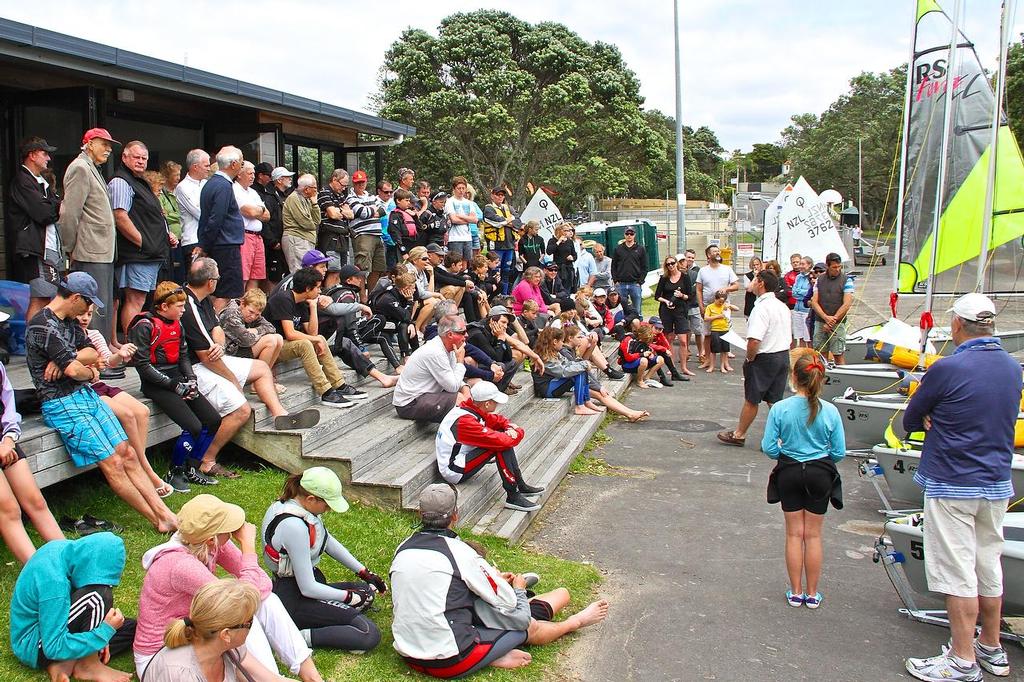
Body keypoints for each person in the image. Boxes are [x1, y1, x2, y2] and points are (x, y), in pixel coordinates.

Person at [903, 293, 1023, 681]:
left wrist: (931, 416)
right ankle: (992, 645)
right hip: (996, 481)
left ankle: (962, 657)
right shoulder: (1012, 367)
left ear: (957, 325)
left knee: (957, 571)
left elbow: (910, 418)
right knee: (988, 565)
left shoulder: (947, 368)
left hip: (953, 480)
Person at [390, 483, 609, 677]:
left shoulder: (402, 549)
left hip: (407, 652)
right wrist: (518, 588)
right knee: (528, 625)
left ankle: (491, 655)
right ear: (455, 515)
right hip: (448, 658)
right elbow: (510, 604)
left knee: (551, 599)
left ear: (421, 513)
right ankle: (573, 623)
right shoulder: (461, 553)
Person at [27, 272, 179, 532]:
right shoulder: (43, 325)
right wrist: (86, 370)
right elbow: (79, 371)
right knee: (113, 462)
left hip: (85, 395)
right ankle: (159, 521)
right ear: (75, 298)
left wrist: (73, 359)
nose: (89, 309)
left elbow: (92, 352)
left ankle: (166, 513)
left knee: (127, 453)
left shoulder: (70, 321)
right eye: (88, 303)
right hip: (61, 403)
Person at [134, 494, 324, 682]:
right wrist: (248, 546)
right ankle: (270, 678)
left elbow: (263, 584)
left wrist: (248, 562)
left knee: (267, 601)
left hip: (200, 635)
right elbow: (237, 603)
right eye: (229, 528)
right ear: (211, 539)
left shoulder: (209, 543)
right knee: (242, 616)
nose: (235, 531)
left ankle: (308, 672)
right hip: (164, 655)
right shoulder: (179, 565)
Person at [182, 258, 319, 478]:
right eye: (217, 278)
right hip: (194, 367)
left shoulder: (204, 299)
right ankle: (206, 459)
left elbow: (216, 329)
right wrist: (232, 380)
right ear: (210, 282)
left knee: (262, 369)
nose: (218, 281)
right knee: (242, 410)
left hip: (215, 357)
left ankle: (279, 415)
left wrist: (218, 343)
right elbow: (205, 357)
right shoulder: (188, 305)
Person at [261, 468, 385, 653]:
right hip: (296, 597)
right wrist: (348, 597)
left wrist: (364, 572)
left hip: (303, 588)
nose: (328, 510)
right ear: (311, 499)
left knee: (367, 592)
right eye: (327, 505)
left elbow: (326, 540)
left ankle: (323, 617)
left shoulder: (294, 506)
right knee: (368, 633)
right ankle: (297, 636)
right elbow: (308, 588)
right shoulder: (293, 525)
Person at [761, 349, 845, 610]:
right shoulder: (830, 411)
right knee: (814, 535)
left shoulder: (781, 409)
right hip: (820, 471)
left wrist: (784, 453)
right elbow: (839, 452)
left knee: (794, 534)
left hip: (789, 470)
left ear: (793, 379)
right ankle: (812, 593)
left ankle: (795, 591)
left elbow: (768, 447)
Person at [127, 281, 228, 493]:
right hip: (156, 383)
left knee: (212, 420)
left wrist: (190, 378)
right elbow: (143, 366)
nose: (183, 310)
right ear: (164, 306)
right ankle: (175, 471)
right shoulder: (144, 325)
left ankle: (193, 467)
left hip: (178, 378)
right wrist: (174, 386)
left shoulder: (177, 323)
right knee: (193, 426)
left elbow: (183, 356)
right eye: (180, 306)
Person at [10, 532, 136, 682]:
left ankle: (64, 663)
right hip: (35, 646)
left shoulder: (64, 550)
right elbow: (52, 646)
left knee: (131, 627)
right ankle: (89, 665)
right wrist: (103, 632)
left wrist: (104, 634)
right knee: (98, 597)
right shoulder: (54, 583)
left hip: (52, 625)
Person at [76, 304, 172, 497]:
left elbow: (108, 363)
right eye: (80, 314)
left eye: (88, 314)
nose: (85, 318)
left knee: (142, 411)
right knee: (127, 415)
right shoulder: (69, 336)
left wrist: (120, 355)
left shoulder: (93, 335)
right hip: (84, 390)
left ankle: (138, 463)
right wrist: (92, 367)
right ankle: (146, 471)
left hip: (98, 385)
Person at [264, 267, 367, 409]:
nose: (320, 291)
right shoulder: (284, 299)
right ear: (307, 288)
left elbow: (312, 333)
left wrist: (312, 308)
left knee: (318, 338)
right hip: (271, 348)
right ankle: (326, 391)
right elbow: (290, 333)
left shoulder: (302, 301)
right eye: (317, 288)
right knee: (305, 344)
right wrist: (315, 339)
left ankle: (339, 385)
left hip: (286, 344)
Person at [139, 579, 278, 681]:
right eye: (249, 622)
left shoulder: (229, 649)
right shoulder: (181, 673)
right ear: (226, 634)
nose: (251, 626)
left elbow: (270, 679)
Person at [436, 381, 543, 511]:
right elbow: (504, 441)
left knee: (501, 440)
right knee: (500, 445)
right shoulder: (465, 421)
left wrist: (511, 428)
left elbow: (500, 420)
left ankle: (520, 486)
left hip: (460, 458)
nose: (497, 404)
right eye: (495, 401)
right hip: (453, 470)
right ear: (487, 403)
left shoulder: (471, 409)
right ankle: (513, 496)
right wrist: (517, 431)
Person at [717, 270, 793, 447]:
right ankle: (783, 438)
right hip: (782, 355)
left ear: (761, 284)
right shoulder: (781, 306)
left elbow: (754, 340)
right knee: (774, 400)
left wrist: (750, 358)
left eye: (755, 279)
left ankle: (739, 434)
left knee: (752, 399)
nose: (751, 282)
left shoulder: (761, 308)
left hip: (764, 357)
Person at [0, 359, 63, 563]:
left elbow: (8, 402)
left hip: (4, 440)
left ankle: (66, 559)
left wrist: (9, 438)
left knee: (35, 501)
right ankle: (39, 572)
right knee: (8, 509)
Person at [61, 128, 120, 342]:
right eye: (104, 144)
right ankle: (95, 356)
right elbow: (70, 213)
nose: (108, 149)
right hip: (89, 251)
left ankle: (101, 355)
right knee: (92, 307)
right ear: (89, 143)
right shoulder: (80, 168)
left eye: (109, 145)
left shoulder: (91, 168)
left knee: (101, 303)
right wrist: (69, 248)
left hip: (101, 250)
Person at [108, 140, 170, 337]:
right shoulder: (121, 181)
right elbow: (120, 216)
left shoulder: (139, 181)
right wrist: (144, 242)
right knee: (135, 300)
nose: (141, 161)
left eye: (144, 158)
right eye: (136, 157)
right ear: (124, 157)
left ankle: (139, 344)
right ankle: (133, 346)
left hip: (150, 254)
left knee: (142, 301)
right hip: (138, 254)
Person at [10, 136, 62, 323]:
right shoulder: (23, 181)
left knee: (47, 295)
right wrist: (55, 206)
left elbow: (55, 203)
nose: (48, 158)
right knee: (40, 297)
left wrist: (53, 204)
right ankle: (32, 346)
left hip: (48, 247)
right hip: (35, 249)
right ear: (32, 155)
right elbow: (44, 212)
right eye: (44, 153)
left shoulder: (41, 182)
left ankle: (39, 342)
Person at [392, 315, 472, 422]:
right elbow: (452, 387)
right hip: (409, 403)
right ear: (450, 334)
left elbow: (453, 377)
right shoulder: (435, 352)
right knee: (459, 399)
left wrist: (465, 388)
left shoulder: (448, 347)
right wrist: (460, 362)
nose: (466, 335)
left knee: (472, 393)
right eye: (462, 332)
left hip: (424, 395)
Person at [197, 146, 246, 312]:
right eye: (241, 162)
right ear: (233, 164)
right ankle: (216, 329)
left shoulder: (211, 184)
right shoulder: (223, 186)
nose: (242, 165)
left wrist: (204, 244)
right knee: (226, 292)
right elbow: (216, 219)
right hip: (225, 244)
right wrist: (206, 244)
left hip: (218, 243)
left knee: (216, 289)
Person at [467, 307, 543, 394]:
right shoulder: (477, 332)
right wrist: (500, 339)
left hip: (489, 363)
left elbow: (508, 356)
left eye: (507, 323)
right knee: (501, 365)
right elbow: (496, 358)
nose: (505, 326)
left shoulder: (496, 330)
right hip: (472, 367)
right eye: (503, 322)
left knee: (512, 362)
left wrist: (502, 337)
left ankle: (500, 389)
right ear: (492, 321)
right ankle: (494, 390)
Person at [532, 327, 604, 417]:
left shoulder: (555, 352)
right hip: (547, 389)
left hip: (555, 382)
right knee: (579, 372)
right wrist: (584, 365)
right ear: (555, 341)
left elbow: (568, 363)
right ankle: (579, 406)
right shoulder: (544, 356)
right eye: (561, 341)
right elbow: (563, 372)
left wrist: (583, 363)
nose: (562, 344)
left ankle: (587, 401)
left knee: (581, 369)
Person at [217, 289, 285, 371]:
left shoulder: (253, 312)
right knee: (270, 341)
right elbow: (247, 340)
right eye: (251, 312)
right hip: (229, 353)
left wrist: (256, 330)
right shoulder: (231, 315)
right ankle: (259, 379)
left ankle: (266, 375)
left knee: (279, 338)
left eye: (257, 315)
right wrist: (257, 333)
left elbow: (271, 328)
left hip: (241, 348)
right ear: (242, 303)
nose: (253, 317)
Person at [696, 245, 739, 369]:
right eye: (714, 251)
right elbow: (699, 290)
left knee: (725, 333)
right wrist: (701, 306)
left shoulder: (727, 269)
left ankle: (725, 362)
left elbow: (736, 285)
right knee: (708, 334)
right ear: (709, 255)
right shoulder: (703, 271)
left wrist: (726, 288)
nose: (718, 252)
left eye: (718, 251)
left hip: (724, 308)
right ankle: (708, 360)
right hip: (708, 307)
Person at [653, 255, 695, 377]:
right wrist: (666, 301)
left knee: (683, 340)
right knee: (669, 338)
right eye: (668, 264)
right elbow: (657, 296)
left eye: (672, 263)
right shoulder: (664, 278)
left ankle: (684, 367)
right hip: (666, 311)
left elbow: (690, 297)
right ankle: (672, 368)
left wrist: (681, 295)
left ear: (677, 263)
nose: (670, 266)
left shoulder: (685, 277)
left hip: (680, 311)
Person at [346, 170, 387, 291]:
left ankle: (372, 296)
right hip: (363, 235)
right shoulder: (350, 198)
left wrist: (372, 211)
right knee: (362, 268)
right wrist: (373, 210)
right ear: (353, 183)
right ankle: (363, 297)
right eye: (358, 182)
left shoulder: (371, 196)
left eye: (362, 182)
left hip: (377, 235)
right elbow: (362, 213)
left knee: (378, 269)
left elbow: (383, 209)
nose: (361, 184)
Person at [809, 252, 853, 365]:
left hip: (838, 323)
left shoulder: (846, 280)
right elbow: (814, 301)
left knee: (838, 354)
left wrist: (833, 320)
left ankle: (843, 379)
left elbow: (847, 303)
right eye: (834, 267)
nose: (837, 269)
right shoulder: (819, 280)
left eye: (839, 267)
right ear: (827, 266)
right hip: (820, 321)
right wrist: (825, 317)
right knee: (820, 355)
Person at [233, 161, 271, 292]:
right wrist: (259, 210)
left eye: (254, 173)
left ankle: (252, 307)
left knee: (256, 276)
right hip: (244, 235)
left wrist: (257, 211)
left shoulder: (253, 192)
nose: (253, 176)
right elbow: (251, 212)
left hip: (257, 237)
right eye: (250, 173)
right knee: (243, 275)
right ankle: (238, 308)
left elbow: (267, 215)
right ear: (239, 174)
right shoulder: (234, 189)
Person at [174, 149, 209, 275]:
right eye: (206, 165)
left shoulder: (207, 184)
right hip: (192, 240)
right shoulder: (183, 187)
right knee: (197, 280)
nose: (209, 169)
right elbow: (200, 213)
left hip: (209, 239)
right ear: (195, 167)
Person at [372, 272, 422, 360]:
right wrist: (410, 301)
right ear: (406, 289)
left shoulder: (400, 294)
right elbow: (405, 316)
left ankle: (417, 353)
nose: (414, 291)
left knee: (409, 325)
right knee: (404, 325)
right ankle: (405, 356)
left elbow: (405, 316)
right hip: (377, 323)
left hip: (392, 319)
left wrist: (410, 323)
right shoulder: (388, 299)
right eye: (413, 288)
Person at [482, 187, 522, 293]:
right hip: (496, 245)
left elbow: (518, 223)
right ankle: (495, 294)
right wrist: (510, 221)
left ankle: (504, 294)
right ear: (492, 195)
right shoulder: (489, 208)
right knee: (495, 270)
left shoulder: (509, 208)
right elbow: (495, 221)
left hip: (509, 245)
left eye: (502, 195)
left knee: (507, 271)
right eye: (497, 194)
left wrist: (507, 222)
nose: (500, 197)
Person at [282, 174, 322, 274]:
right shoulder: (294, 198)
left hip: (306, 239)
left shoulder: (307, 199)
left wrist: (315, 204)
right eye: (315, 188)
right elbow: (306, 223)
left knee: (308, 273)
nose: (316, 191)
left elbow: (317, 221)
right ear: (306, 189)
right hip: (297, 239)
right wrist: (313, 225)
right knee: (299, 273)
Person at [262, 167, 295, 285]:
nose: (290, 179)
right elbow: (264, 221)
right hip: (275, 245)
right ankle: (273, 300)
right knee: (275, 277)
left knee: (286, 275)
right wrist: (272, 241)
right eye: (287, 177)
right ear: (279, 180)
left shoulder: (288, 195)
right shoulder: (269, 197)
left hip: (286, 242)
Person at [317, 169, 354, 265]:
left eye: (346, 186)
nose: (344, 188)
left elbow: (351, 214)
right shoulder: (324, 192)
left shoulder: (341, 195)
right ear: (334, 179)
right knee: (333, 271)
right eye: (343, 185)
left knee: (344, 271)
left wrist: (338, 210)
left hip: (343, 239)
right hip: (330, 239)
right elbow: (333, 214)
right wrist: (340, 211)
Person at [159, 161, 185, 284]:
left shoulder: (176, 192)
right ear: (167, 176)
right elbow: (162, 215)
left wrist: (172, 215)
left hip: (179, 237)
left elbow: (169, 214)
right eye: (175, 175)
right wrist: (178, 215)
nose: (178, 178)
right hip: (169, 238)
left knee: (180, 273)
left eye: (179, 175)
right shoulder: (161, 193)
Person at [610, 226, 647, 313]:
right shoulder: (618, 249)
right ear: (624, 235)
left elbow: (644, 267)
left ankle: (638, 325)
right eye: (627, 233)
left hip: (635, 284)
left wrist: (640, 282)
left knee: (637, 310)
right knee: (621, 309)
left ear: (634, 235)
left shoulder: (640, 249)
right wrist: (616, 281)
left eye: (631, 234)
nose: (629, 235)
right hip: (621, 284)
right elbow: (613, 266)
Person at [617, 323, 665, 389]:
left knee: (660, 359)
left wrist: (650, 354)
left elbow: (649, 348)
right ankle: (639, 381)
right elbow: (628, 358)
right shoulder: (628, 340)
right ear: (640, 336)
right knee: (644, 360)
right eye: (645, 339)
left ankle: (647, 378)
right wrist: (642, 354)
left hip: (639, 361)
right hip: (627, 364)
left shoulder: (645, 340)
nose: (647, 341)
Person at [704, 289, 739, 373]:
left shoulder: (725, 306)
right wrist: (718, 316)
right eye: (719, 301)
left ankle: (722, 366)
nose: (720, 303)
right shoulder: (710, 307)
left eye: (722, 302)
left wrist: (729, 305)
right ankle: (712, 366)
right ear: (715, 299)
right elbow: (706, 318)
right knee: (714, 349)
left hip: (725, 329)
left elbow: (737, 309)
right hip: (715, 330)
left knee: (725, 349)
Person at [443, 176, 477, 261]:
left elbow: (475, 219)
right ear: (454, 189)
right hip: (455, 237)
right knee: (456, 261)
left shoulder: (469, 203)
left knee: (466, 262)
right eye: (459, 188)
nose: (461, 190)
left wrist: (460, 216)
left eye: (463, 188)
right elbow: (454, 219)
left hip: (467, 237)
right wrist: (468, 220)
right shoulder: (450, 201)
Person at [387, 188, 423, 260]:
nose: (409, 203)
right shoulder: (395, 215)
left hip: (413, 245)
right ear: (398, 201)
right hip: (403, 246)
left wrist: (415, 217)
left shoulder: (409, 213)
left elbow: (420, 228)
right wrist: (403, 251)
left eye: (409, 201)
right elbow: (396, 234)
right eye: (406, 200)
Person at [682, 249, 704, 366]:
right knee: (685, 331)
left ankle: (701, 353)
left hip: (694, 305)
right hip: (683, 307)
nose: (689, 260)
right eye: (688, 257)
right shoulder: (678, 272)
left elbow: (695, 290)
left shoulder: (697, 272)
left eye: (692, 258)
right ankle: (686, 353)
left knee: (698, 331)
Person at [546, 223, 578, 294]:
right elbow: (549, 251)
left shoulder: (569, 241)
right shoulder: (553, 240)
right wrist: (558, 242)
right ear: (560, 231)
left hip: (568, 268)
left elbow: (575, 255)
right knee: (558, 289)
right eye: (566, 230)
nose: (568, 232)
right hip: (558, 269)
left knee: (568, 289)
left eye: (569, 230)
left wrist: (572, 258)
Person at [791, 256, 814, 348]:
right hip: (797, 309)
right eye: (800, 264)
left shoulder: (812, 277)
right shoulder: (798, 277)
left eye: (803, 264)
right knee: (799, 336)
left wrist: (799, 292)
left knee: (807, 337)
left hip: (806, 310)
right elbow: (794, 293)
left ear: (809, 265)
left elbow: (810, 293)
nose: (800, 266)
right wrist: (802, 293)